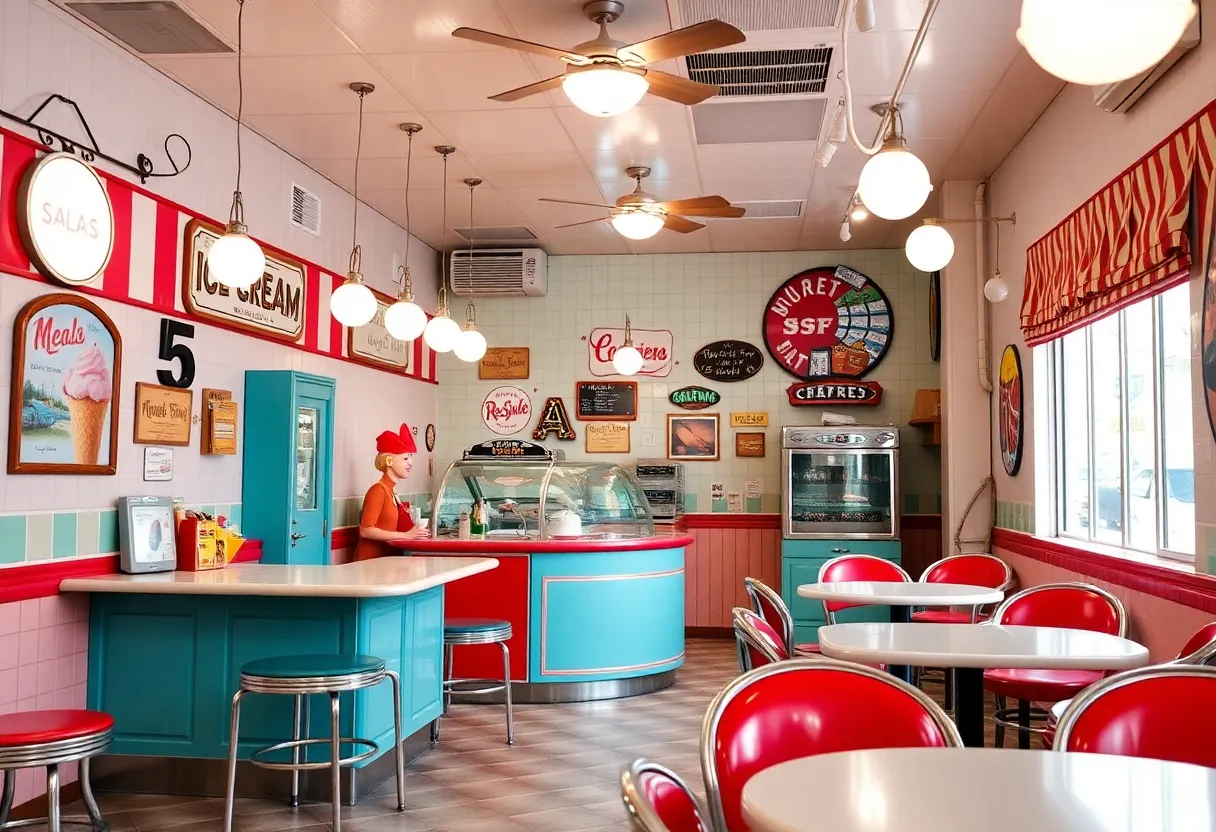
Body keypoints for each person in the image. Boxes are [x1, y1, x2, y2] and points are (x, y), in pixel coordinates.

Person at [354, 423, 427, 561]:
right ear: (388, 461)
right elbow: (366, 530)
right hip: (369, 564)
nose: (410, 463)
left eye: (410, 458)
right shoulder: (378, 490)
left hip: (383, 562)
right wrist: (406, 536)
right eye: (405, 458)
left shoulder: (391, 492)